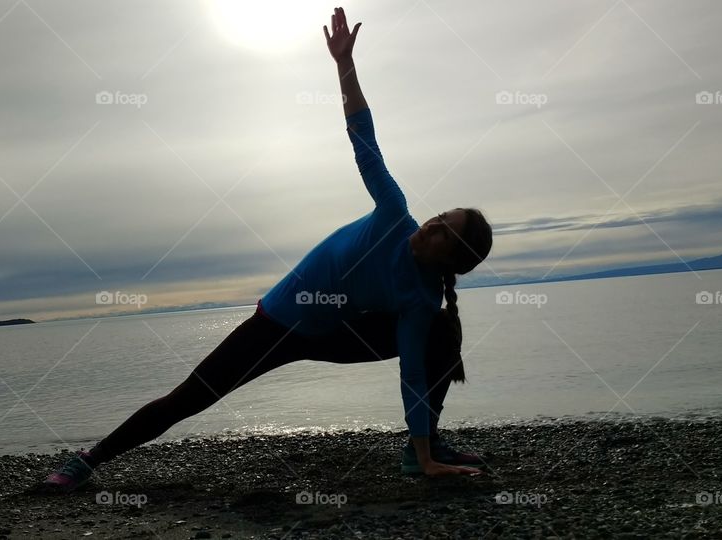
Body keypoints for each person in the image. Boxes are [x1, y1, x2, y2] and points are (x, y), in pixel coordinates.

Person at [35, 6, 493, 493]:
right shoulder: (392, 215)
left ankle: (421, 448)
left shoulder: (419, 300)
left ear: (452, 258)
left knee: (441, 336)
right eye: (440, 216)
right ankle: (88, 460)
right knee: (190, 398)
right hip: (276, 324)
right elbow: (364, 139)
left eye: (445, 231)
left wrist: (424, 462)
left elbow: (413, 374)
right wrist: (343, 64)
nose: (432, 225)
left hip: (333, 333)